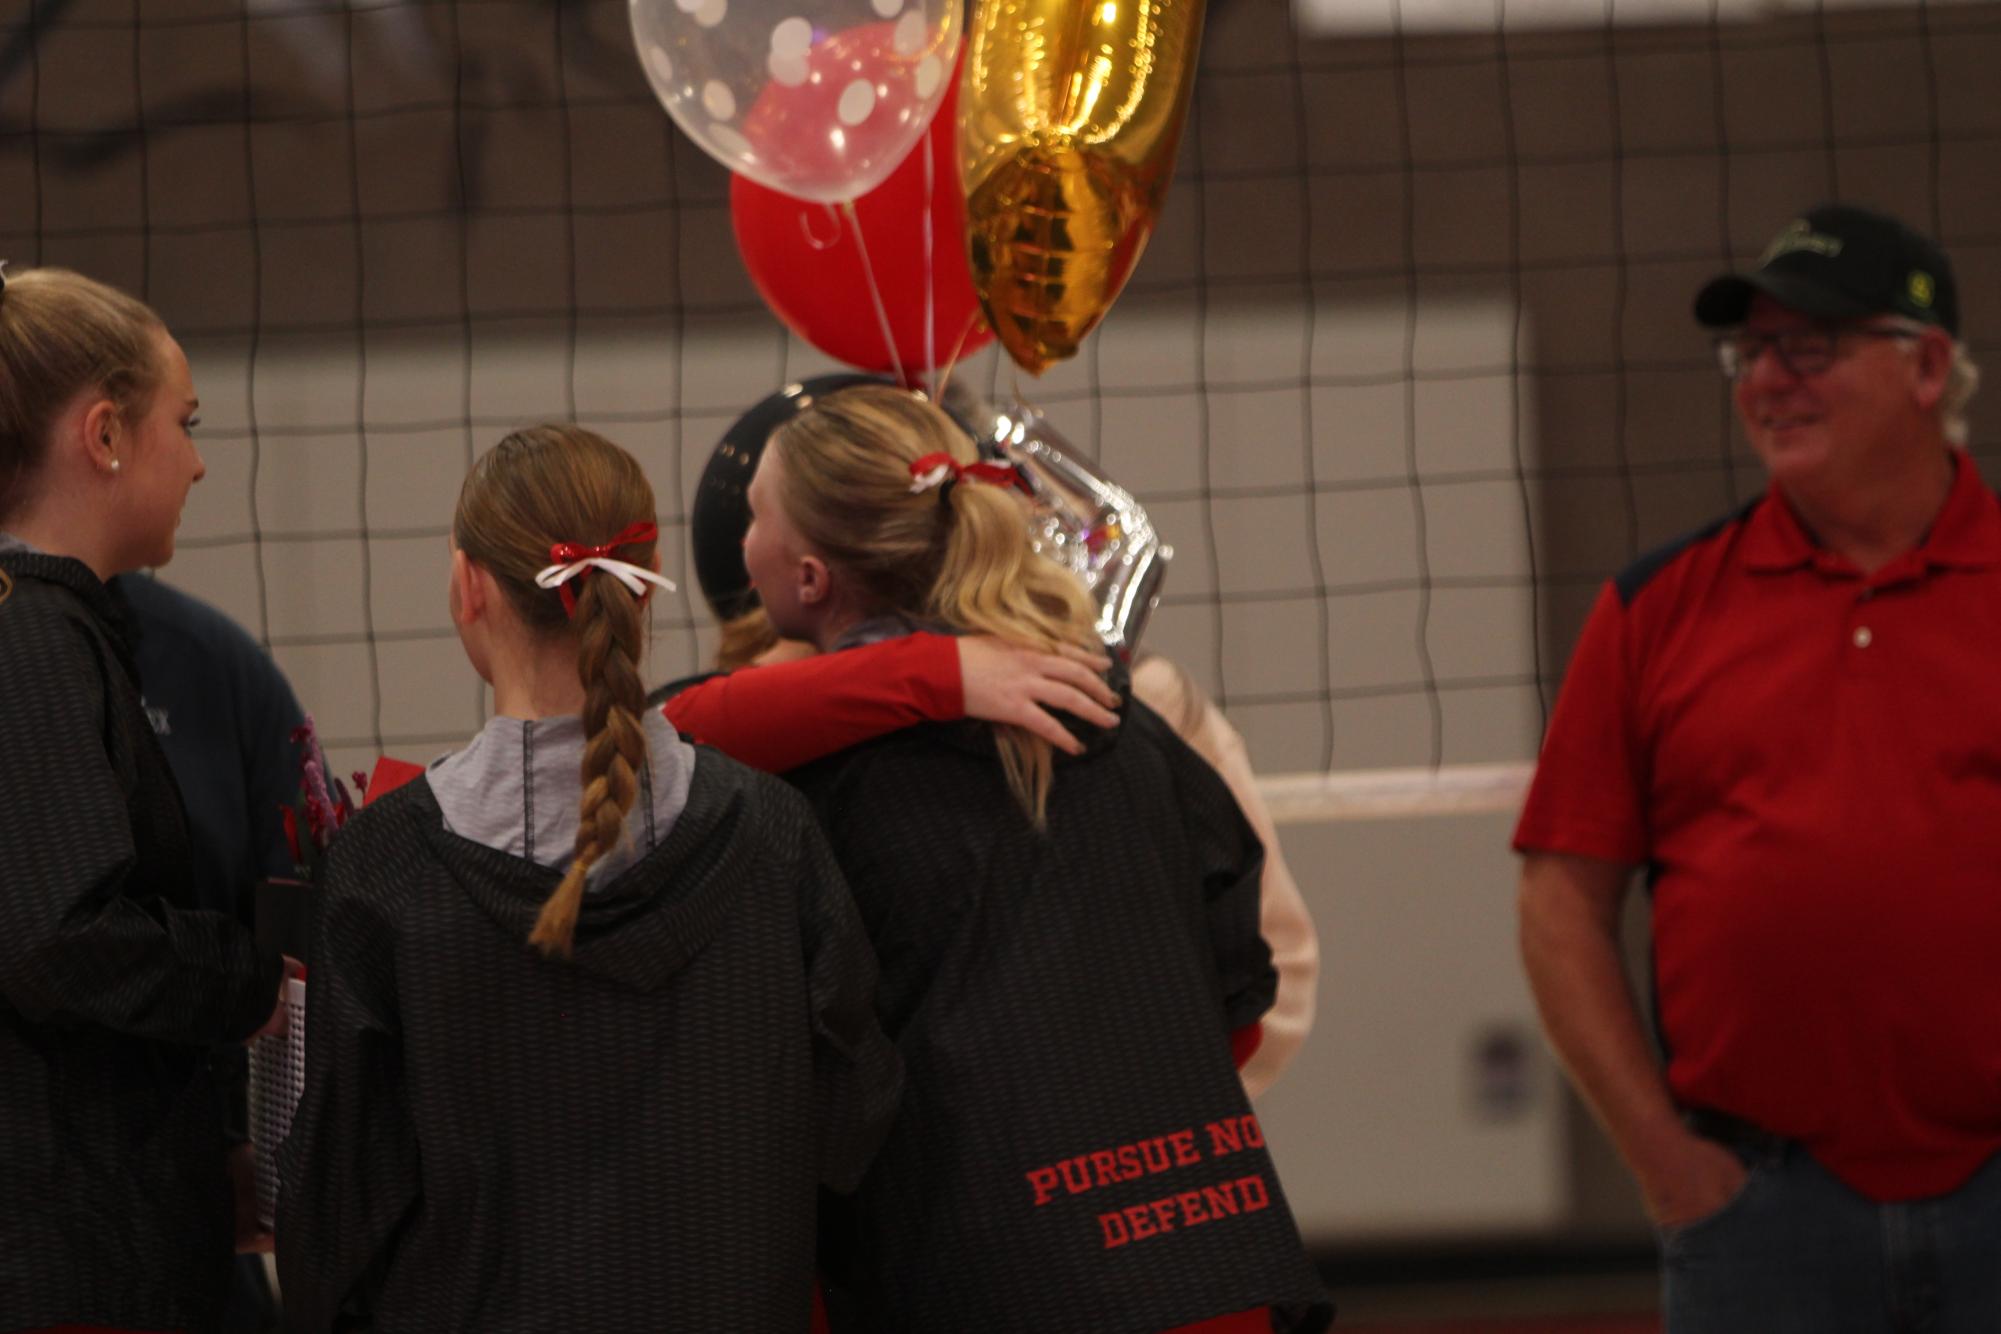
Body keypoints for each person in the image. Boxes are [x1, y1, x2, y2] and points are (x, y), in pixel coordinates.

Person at [275, 425, 899, 1332]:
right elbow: (855, 1118)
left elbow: (334, 1209)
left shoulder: (386, 867)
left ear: (468, 587)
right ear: (640, 596)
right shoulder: (772, 836)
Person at [746, 384, 1331, 1333]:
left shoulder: (806, 787)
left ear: (809, 576)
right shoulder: (1127, 723)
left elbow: (813, 1081)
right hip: (1213, 1260)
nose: (740, 541)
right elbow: (1246, 986)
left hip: (992, 1273)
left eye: (752, 517)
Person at [1515, 203, 1998, 1330]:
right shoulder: (1654, 608)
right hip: (1763, 1216)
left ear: (1926, 366)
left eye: (1809, 348)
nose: (1767, 381)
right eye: (1752, 352)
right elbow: (1557, 906)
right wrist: (1664, 1163)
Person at [0, 266, 287, 1333]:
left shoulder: (60, 625)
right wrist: (251, 978)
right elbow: (58, 937)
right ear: (105, 433)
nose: (201, 458)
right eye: (187, 420)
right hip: (64, 1258)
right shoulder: (30, 635)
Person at [115, 572, 307, 1330]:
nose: (196, 466)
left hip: (197, 1201)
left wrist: (258, 1147)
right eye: (184, 439)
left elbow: (294, 922)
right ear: (100, 444)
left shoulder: (212, 664)